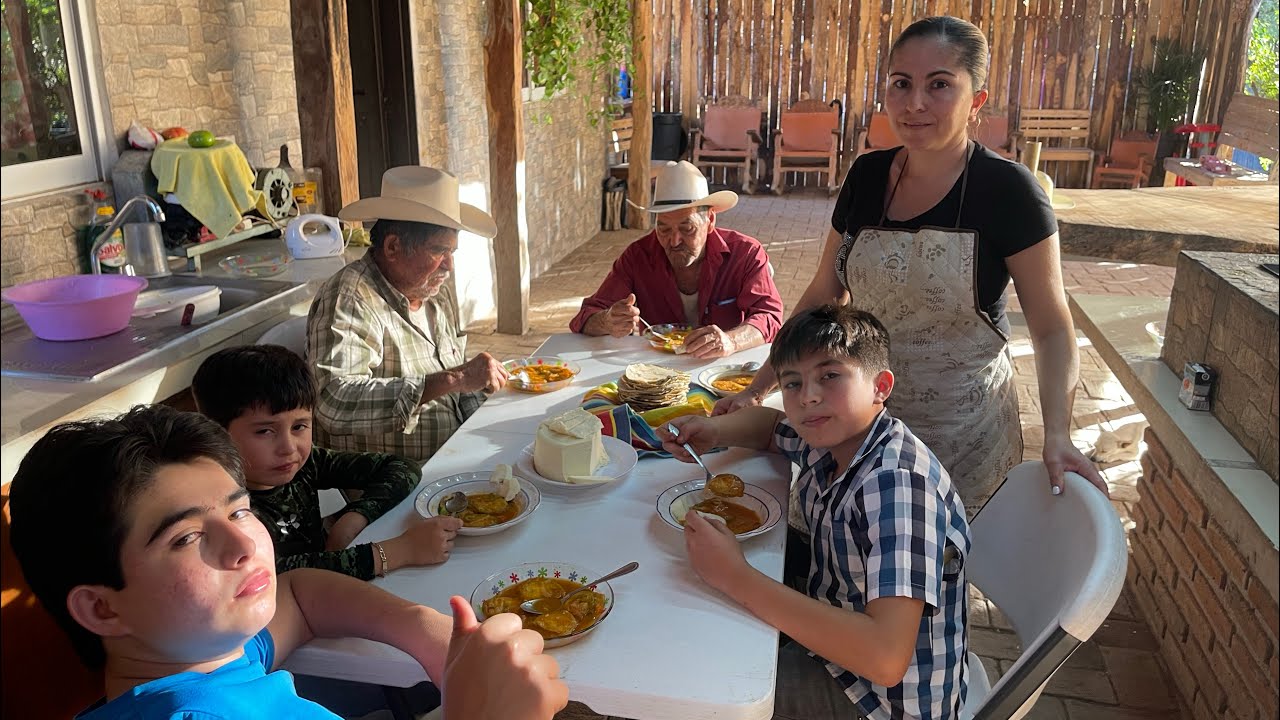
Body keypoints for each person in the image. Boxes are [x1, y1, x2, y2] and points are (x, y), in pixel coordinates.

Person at [714, 16, 1106, 511]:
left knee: (942, 568)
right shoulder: (867, 176)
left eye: (939, 84)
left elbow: (1052, 329)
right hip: (864, 418)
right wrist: (757, 388)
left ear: (976, 101)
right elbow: (823, 296)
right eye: (901, 84)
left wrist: (1058, 433)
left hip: (965, 436)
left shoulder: (1010, 192)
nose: (915, 103)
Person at [5, 404, 567, 719]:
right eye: (185, 537)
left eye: (241, 511)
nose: (245, 546)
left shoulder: (198, 655)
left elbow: (299, 592)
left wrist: (431, 635)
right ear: (102, 608)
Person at [659, 305, 969, 720]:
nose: (808, 397)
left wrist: (734, 575)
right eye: (792, 383)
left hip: (878, 699)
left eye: (829, 376)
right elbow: (770, 428)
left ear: (881, 386)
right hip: (841, 639)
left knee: (703, 693)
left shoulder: (896, 485)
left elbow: (885, 658)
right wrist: (713, 431)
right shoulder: (836, 437)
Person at [191, 344, 461, 580]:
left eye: (299, 426)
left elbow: (402, 468)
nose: (288, 448)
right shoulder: (223, 507)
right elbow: (276, 572)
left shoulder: (305, 465)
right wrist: (399, 551)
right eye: (264, 431)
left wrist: (353, 517)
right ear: (216, 433)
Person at [308, 166, 509, 464]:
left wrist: (484, 426)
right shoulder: (351, 297)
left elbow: (460, 388)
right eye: (439, 251)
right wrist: (455, 379)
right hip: (393, 482)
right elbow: (334, 402)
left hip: (452, 458)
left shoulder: (435, 293)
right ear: (393, 247)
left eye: (452, 252)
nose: (449, 266)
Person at [569, 160, 784, 359]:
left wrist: (731, 341)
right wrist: (607, 321)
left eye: (687, 228)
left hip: (723, 373)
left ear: (709, 220)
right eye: (663, 229)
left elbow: (769, 316)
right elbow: (586, 316)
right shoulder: (638, 257)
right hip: (656, 375)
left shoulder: (745, 254)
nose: (674, 241)